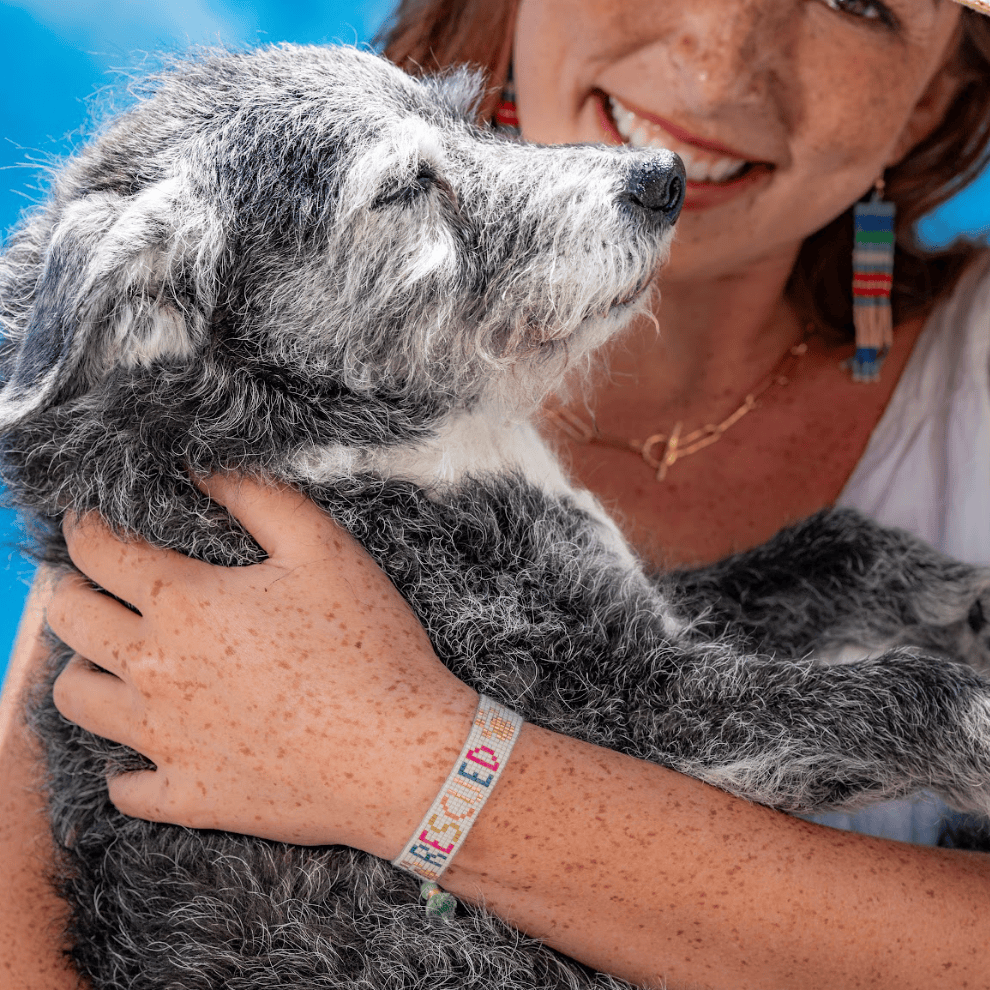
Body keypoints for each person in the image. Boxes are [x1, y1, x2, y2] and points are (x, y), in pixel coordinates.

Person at [4, 0, 990, 986]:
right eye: (409, 186)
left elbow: (622, 678)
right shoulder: (187, 421)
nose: (716, 61)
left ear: (939, 92)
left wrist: (411, 766)